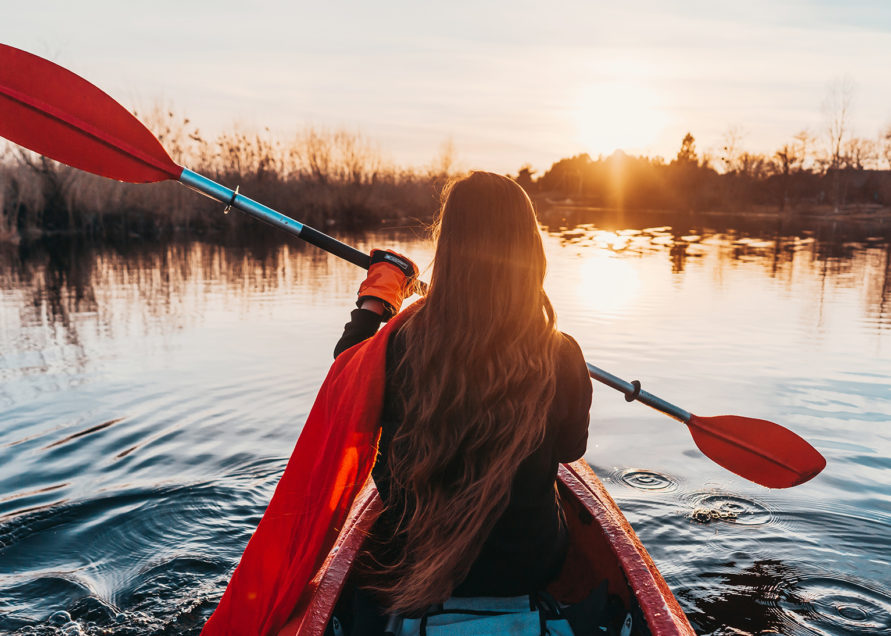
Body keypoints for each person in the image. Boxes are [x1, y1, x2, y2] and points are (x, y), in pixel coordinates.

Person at [333, 171, 593, 633]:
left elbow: (345, 374)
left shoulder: (400, 345)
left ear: (448, 247)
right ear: (529, 249)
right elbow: (571, 451)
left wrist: (380, 295)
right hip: (530, 566)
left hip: (411, 562)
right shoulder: (563, 353)